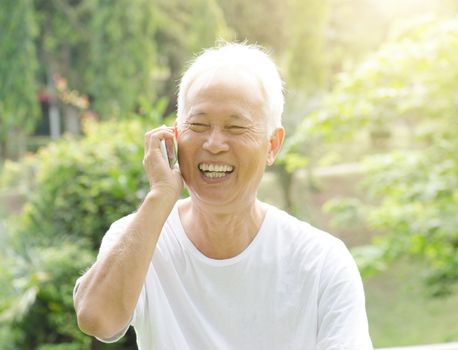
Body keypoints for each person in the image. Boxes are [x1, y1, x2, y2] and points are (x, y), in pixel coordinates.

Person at [73, 42, 373, 350]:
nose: (214, 143)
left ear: (272, 145)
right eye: (199, 125)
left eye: (236, 127)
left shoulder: (322, 262)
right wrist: (160, 196)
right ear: (175, 135)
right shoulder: (138, 238)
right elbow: (97, 319)